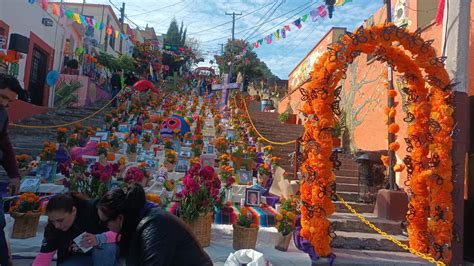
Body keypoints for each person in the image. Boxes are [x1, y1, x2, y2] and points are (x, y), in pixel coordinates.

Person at [97, 184, 213, 266]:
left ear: (120, 218)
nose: (103, 226)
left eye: (104, 222)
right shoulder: (141, 220)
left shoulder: (153, 227)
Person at [33, 192, 117, 266]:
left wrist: (99, 238)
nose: (57, 226)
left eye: (60, 220)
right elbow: (43, 257)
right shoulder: (52, 227)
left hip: (104, 256)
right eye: (52, 221)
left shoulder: (95, 210)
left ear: (73, 211)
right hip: (78, 259)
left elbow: (122, 232)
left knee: (107, 248)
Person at [0, 73, 22, 266]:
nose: (5, 103)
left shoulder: (2, 114)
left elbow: (4, 144)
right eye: (3, 97)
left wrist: (14, 175)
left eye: (10, 100)